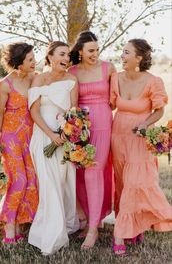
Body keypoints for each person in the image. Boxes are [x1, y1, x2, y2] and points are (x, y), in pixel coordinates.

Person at [110, 38, 172, 255]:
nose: (122, 56)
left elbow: (159, 109)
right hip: (117, 136)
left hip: (139, 138)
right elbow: (109, 104)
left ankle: (119, 236)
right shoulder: (115, 78)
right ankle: (133, 227)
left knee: (134, 183)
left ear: (139, 58)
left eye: (126, 52)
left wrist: (145, 124)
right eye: (122, 51)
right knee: (121, 183)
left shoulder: (154, 81)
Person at [28, 41, 79, 255]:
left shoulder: (72, 80)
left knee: (63, 182)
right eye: (61, 54)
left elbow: (74, 112)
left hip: (65, 138)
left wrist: (67, 133)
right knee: (49, 184)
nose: (66, 59)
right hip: (43, 136)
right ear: (49, 57)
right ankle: (51, 233)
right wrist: (51, 135)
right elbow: (34, 111)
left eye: (68, 55)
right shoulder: (39, 79)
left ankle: (67, 224)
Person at [69, 30, 116, 249]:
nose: (95, 54)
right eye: (90, 50)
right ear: (80, 51)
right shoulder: (72, 72)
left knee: (94, 171)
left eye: (97, 49)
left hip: (103, 122)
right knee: (80, 172)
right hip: (80, 125)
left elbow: (116, 99)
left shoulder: (108, 68)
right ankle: (88, 221)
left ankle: (94, 230)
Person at [0, 42, 39, 244]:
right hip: (11, 138)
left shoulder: (34, 78)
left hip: (31, 136)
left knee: (31, 180)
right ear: (19, 63)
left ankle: (21, 222)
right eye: (30, 59)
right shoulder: (5, 84)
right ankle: (9, 226)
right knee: (18, 181)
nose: (34, 62)